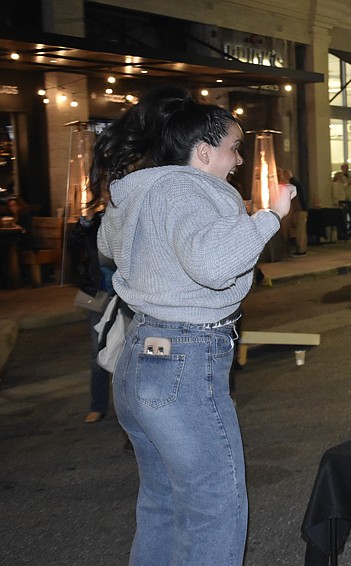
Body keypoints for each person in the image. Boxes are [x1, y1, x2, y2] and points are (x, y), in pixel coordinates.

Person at [95, 88, 293, 565]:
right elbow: (213, 263)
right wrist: (271, 216)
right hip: (184, 360)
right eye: (234, 148)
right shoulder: (187, 189)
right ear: (203, 152)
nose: (239, 160)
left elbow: (105, 245)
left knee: (162, 503)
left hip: (140, 357)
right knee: (215, 507)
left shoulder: (141, 189)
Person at [69, 196, 116, 424]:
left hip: (126, 295)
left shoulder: (128, 216)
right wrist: (85, 221)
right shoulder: (94, 221)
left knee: (128, 351)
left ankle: (130, 408)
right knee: (98, 351)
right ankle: (98, 405)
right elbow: (73, 243)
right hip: (98, 293)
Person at [280, 168, 309, 256]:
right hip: (301, 209)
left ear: (286, 176)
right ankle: (300, 249)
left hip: (299, 210)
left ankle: (301, 250)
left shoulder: (292, 185)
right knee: (300, 230)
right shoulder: (297, 183)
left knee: (300, 231)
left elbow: (295, 200)